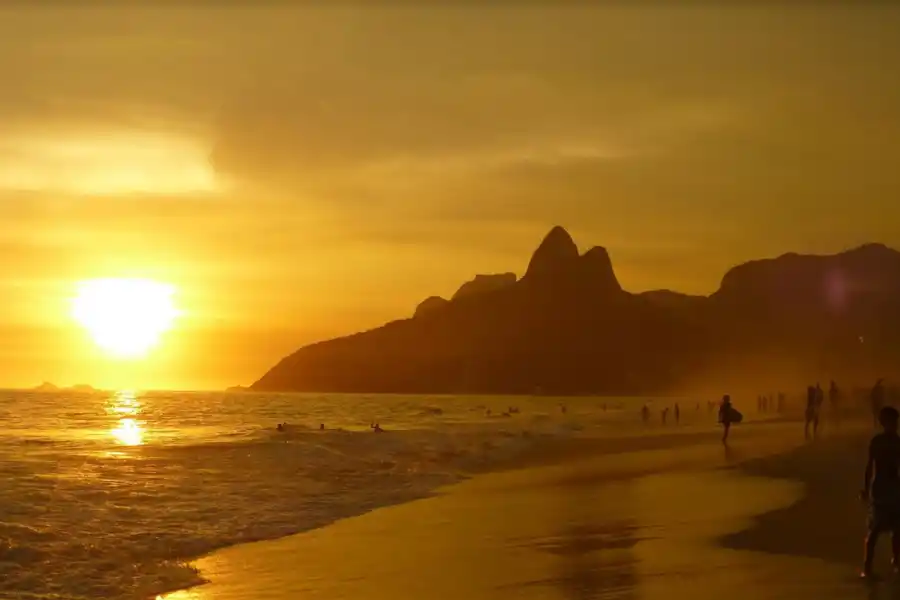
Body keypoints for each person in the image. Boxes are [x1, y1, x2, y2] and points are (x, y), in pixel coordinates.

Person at [861, 406, 900, 578]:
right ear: (885, 423)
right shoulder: (878, 442)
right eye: (892, 422)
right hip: (880, 487)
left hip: (894, 487)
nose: (895, 425)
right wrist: (865, 488)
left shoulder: (897, 441)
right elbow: (870, 467)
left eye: (896, 422)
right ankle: (867, 565)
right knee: (875, 528)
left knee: (897, 527)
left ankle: (897, 561)